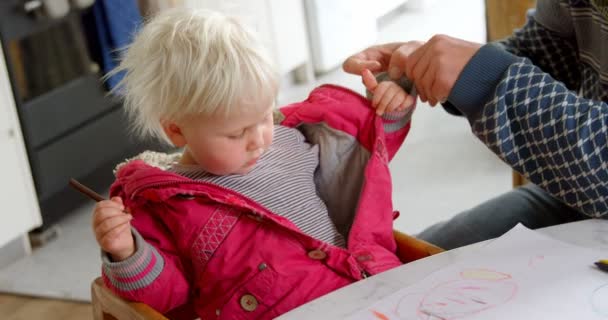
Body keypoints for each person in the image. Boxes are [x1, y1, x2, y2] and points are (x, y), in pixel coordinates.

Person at [91, 8, 415, 319]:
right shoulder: (162, 205)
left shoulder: (295, 139)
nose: (258, 139)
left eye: (264, 118)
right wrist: (127, 253)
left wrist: (391, 106)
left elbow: (363, 154)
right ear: (176, 129)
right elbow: (169, 301)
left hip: (376, 289)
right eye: (236, 134)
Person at [343, 0, 608, 250]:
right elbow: (546, 53)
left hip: (594, 193)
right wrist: (434, 66)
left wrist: (483, 75)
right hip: (577, 201)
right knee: (393, 272)